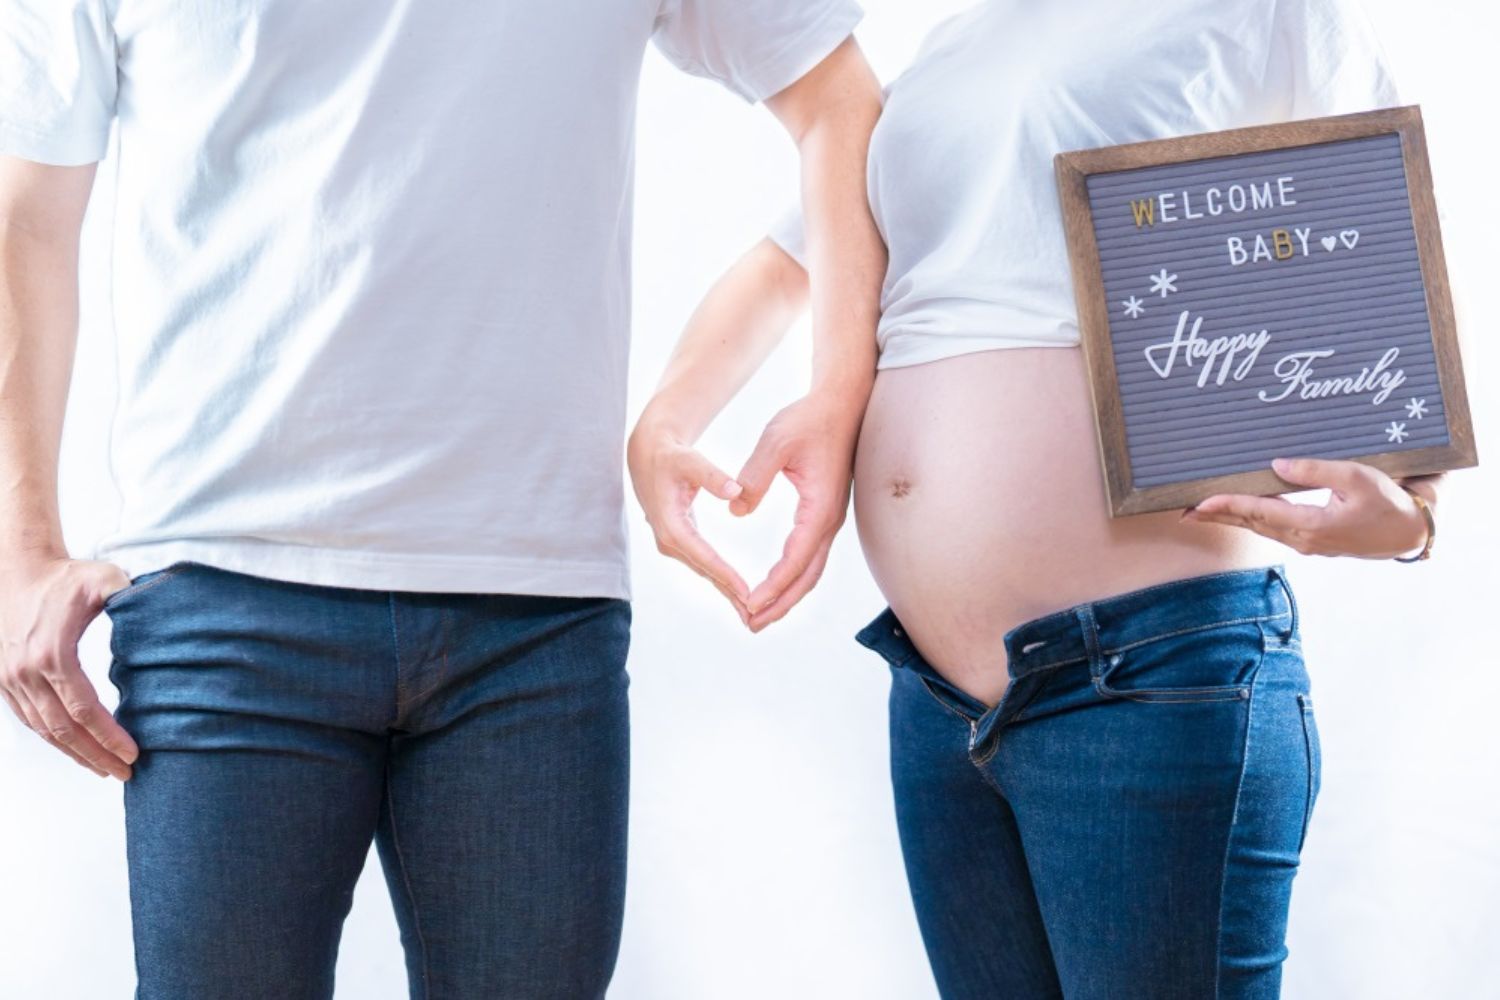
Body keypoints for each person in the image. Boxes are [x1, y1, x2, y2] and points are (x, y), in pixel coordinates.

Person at [0, 1, 885, 996]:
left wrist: (820, 394)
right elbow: (27, 209)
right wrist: (18, 548)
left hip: (534, 617)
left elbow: (841, 106)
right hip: (221, 596)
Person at [629, 0, 1450, 996]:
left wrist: (1411, 516)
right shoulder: (949, 53)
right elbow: (791, 261)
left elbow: (1376, 262)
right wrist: (665, 423)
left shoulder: (1264, 10)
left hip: (1153, 670)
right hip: (938, 700)